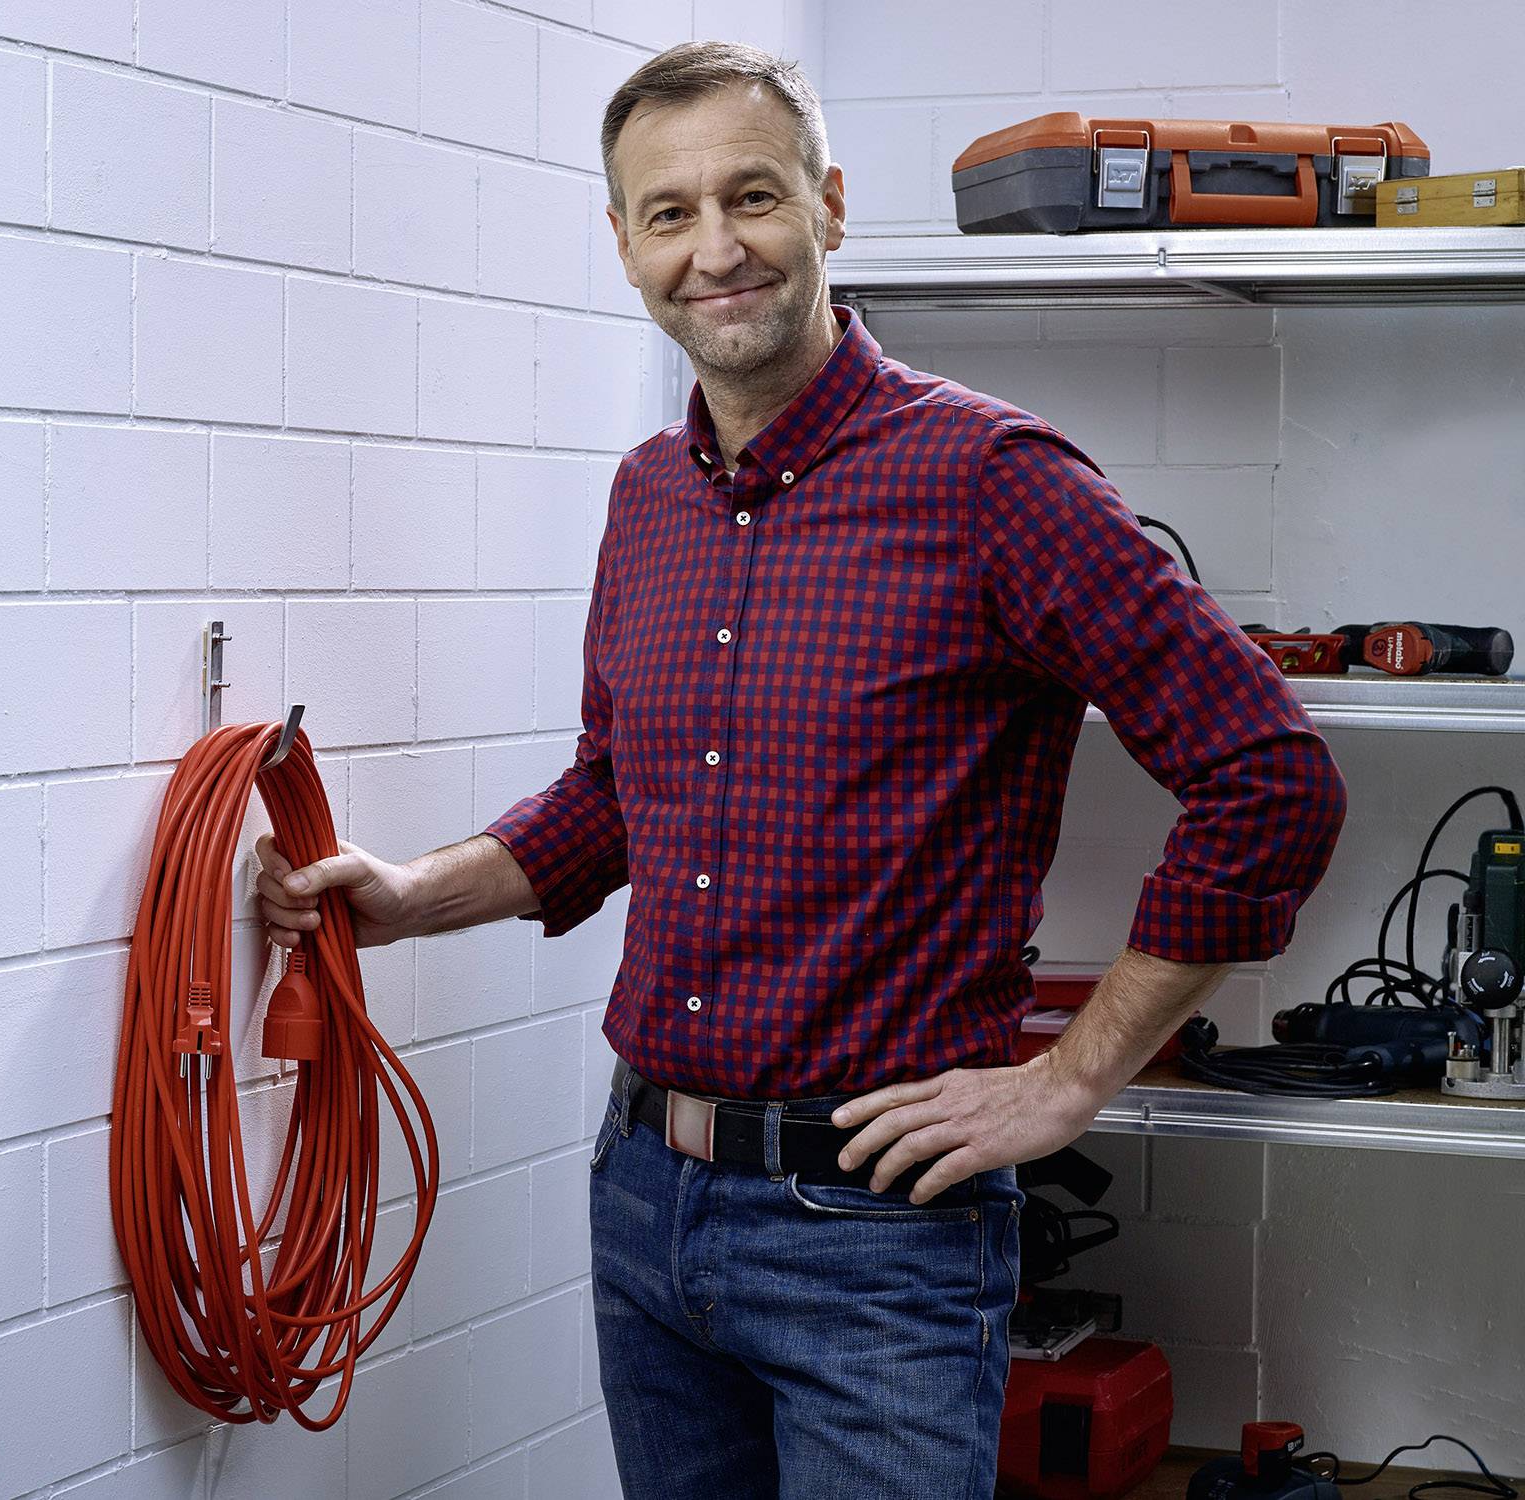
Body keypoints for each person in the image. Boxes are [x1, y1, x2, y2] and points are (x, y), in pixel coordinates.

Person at [254, 40, 1347, 1499]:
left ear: (830, 204)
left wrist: (1071, 1081)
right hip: (647, 1198)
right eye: (668, 212)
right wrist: (408, 894)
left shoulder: (990, 481)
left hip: (878, 1231)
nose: (716, 249)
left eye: (751, 196)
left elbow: (1268, 773)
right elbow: (610, 798)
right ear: (625, 243)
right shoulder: (648, 497)